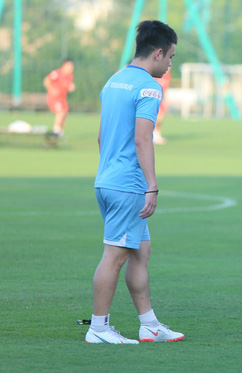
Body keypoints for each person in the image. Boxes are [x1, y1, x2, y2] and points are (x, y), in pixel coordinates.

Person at [87, 20, 183, 344]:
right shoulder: (148, 87)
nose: (170, 64)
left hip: (107, 180)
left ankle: (150, 325)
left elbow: (101, 137)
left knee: (141, 252)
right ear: (157, 53)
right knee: (114, 255)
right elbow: (143, 140)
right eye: (170, 57)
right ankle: (98, 329)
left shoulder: (114, 81)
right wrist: (151, 185)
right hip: (128, 185)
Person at [43, 59, 75, 136]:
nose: (71, 68)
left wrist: (70, 87)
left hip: (62, 98)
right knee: (61, 112)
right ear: (64, 66)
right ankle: (56, 132)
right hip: (54, 98)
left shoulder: (70, 76)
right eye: (69, 66)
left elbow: (66, 85)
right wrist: (51, 89)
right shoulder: (57, 73)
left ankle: (59, 133)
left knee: (64, 113)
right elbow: (46, 81)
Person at [153, 68, 171, 144]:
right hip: (155, 99)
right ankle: (154, 135)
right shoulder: (156, 75)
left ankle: (157, 134)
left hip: (161, 99)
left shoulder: (168, 76)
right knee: (157, 118)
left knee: (160, 118)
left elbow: (165, 89)